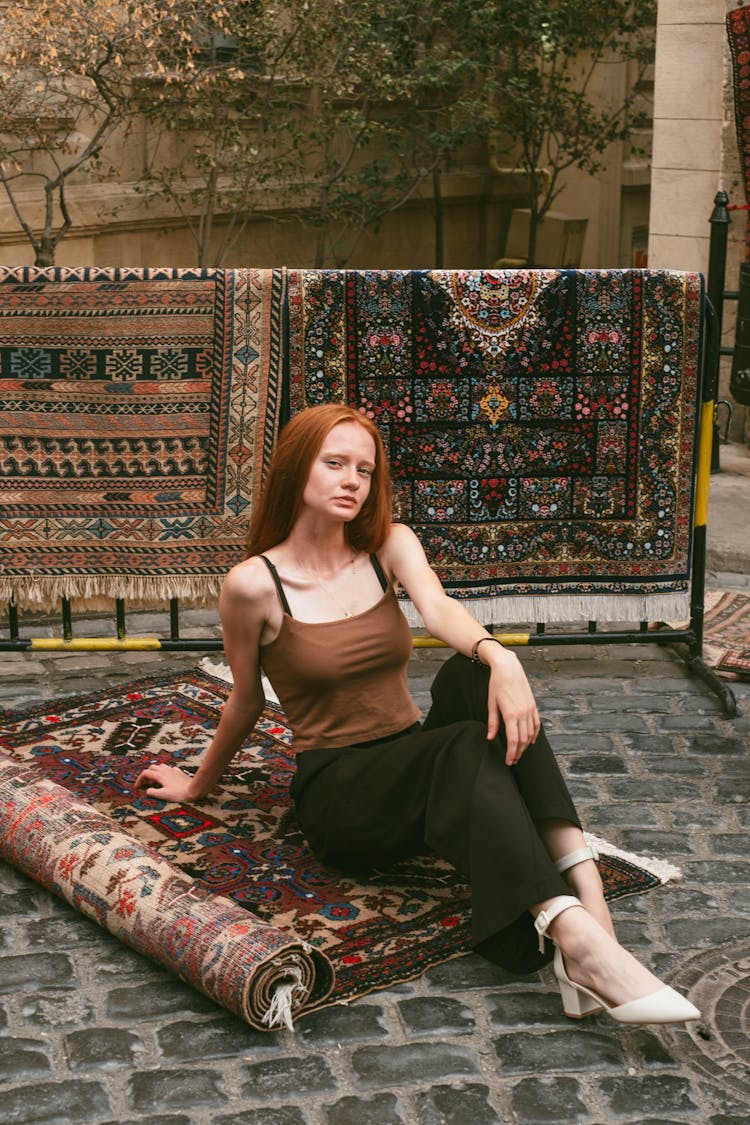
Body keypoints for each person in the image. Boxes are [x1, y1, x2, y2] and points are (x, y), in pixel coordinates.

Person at [135, 404, 699, 1025]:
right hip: (342, 796)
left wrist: (501, 658)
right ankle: (576, 940)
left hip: (414, 762)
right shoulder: (254, 585)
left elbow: (439, 609)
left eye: (365, 470)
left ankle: (593, 910)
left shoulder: (388, 546)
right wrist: (195, 785)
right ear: (298, 469)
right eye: (335, 464)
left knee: (474, 675)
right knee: (458, 746)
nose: (353, 480)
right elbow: (245, 697)